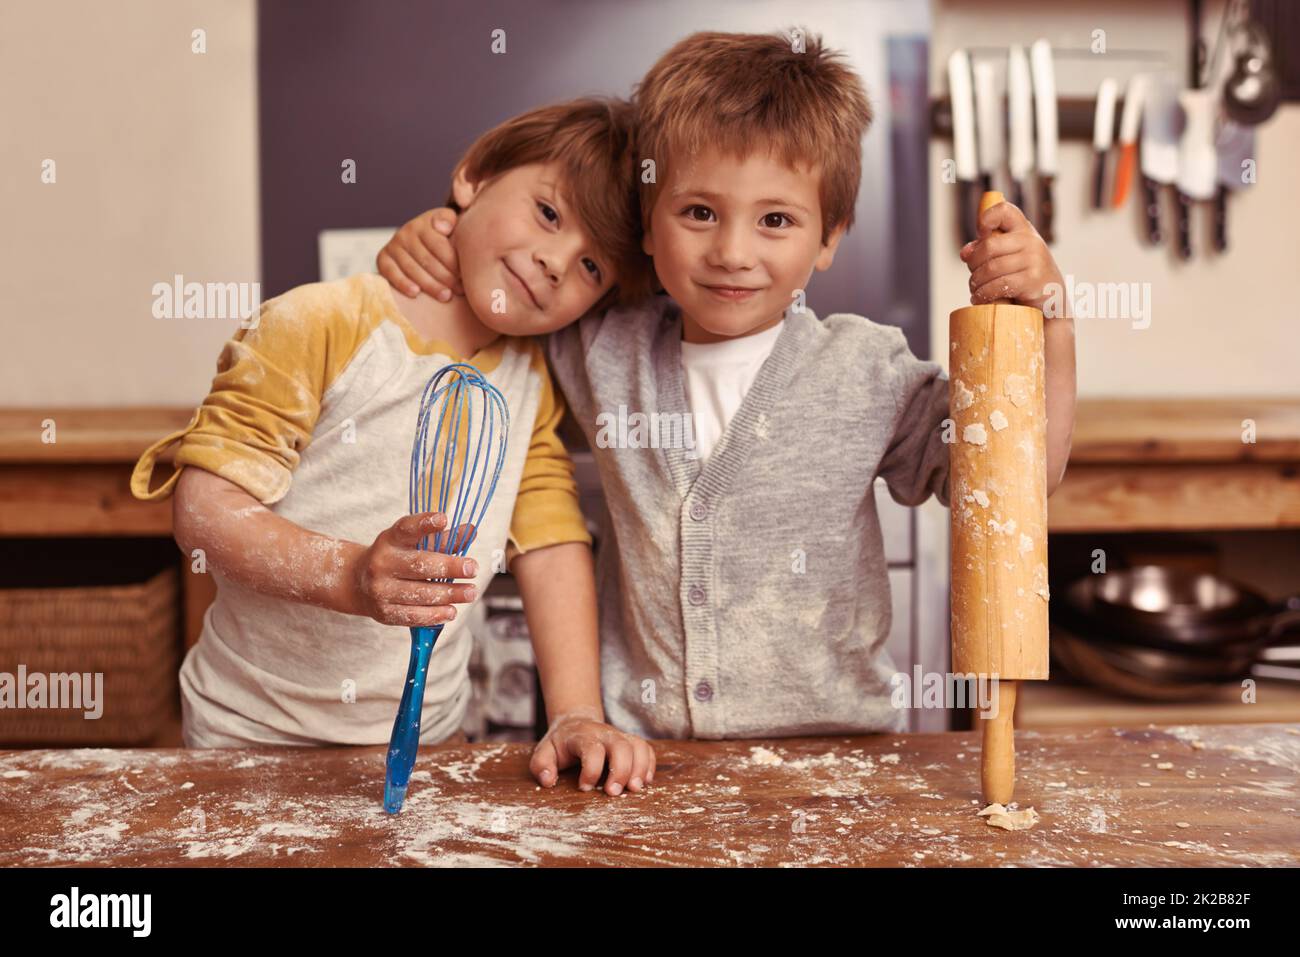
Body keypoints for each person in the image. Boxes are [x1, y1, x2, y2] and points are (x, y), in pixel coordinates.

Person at [131, 98, 658, 795]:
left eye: (592, 267)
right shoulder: (320, 323)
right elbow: (203, 513)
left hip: (432, 737)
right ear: (471, 177)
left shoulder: (529, 383)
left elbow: (552, 547)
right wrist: (352, 577)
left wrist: (576, 713)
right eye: (549, 214)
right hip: (250, 735)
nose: (557, 262)